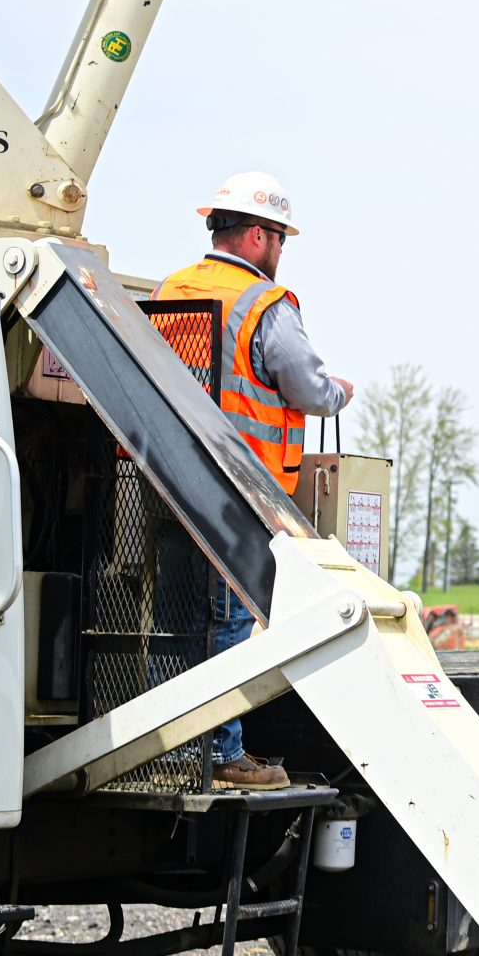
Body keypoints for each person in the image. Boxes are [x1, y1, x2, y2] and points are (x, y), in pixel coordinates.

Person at [155, 171, 353, 791]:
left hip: (164, 483)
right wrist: (337, 395)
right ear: (261, 236)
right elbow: (303, 385)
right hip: (237, 490)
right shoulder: (266, 303)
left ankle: (166, 744)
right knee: (230, 622)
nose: (281, 253)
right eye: (280, 239)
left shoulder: (173, 289)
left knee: (175, 618)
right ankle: (221, 754)